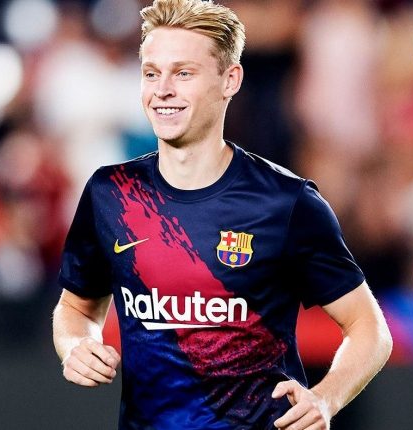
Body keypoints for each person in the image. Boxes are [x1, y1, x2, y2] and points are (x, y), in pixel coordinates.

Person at [52, 0, 393, 428]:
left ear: (230, 79)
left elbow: (369, 327)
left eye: (183, 73)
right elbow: (76, 308)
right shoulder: (110, 193)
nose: (162, 90)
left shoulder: (284, 202)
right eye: (151, 73)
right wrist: (75, 345)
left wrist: (326, 397)